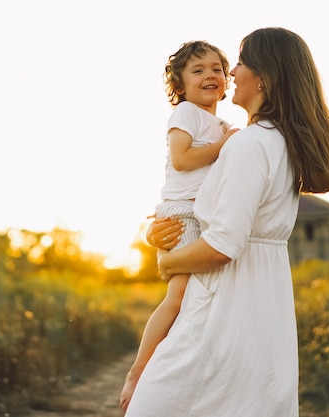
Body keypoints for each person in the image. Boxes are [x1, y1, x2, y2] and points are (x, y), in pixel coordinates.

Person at [123, 27, 329, 417]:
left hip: (224, 302)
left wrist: (167, 262)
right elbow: (203, 206)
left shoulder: (248, 143)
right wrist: (157, 232)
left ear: (263, 76)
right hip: (261, 299)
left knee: (155, 405)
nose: (230, 73)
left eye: (238, 63)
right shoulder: (274, 141)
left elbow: (222, 244)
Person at [119, 40, 239, 412]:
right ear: (181, 85)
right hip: (181, 215)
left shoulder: (222, 124)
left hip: (202, 217)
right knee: (179, 299)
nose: (210, 75)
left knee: (198, 301)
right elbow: (182, 160)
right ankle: (138, 371)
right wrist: (224, 146)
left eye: (216, 69)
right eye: (198, 70)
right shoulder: (187, 114)